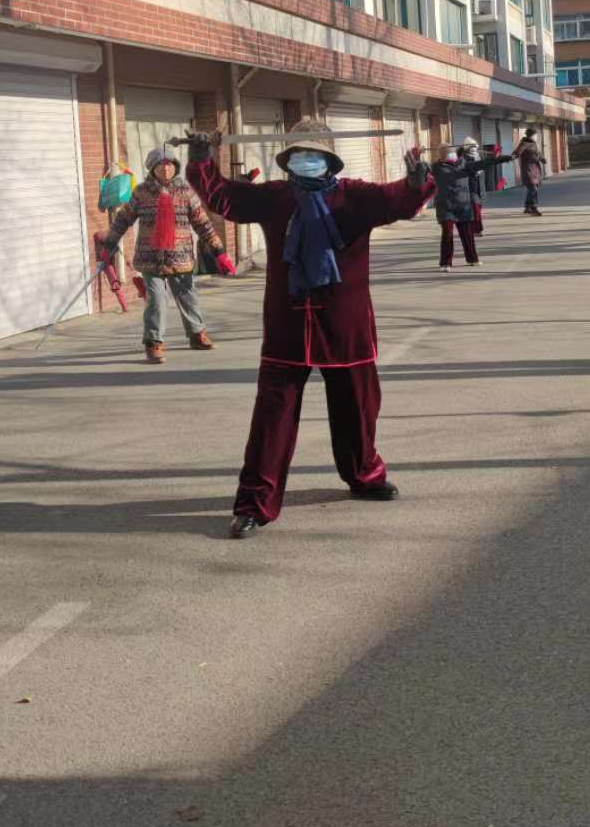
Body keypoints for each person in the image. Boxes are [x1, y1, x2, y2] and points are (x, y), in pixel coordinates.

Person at [186, 118, 434, 539]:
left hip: (345, 322)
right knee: (272, 418)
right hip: (288, 324)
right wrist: (201, 159)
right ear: (289, 160)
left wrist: (416, 181)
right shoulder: (274, 198)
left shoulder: (354, 197)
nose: (307, 160)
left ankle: (364, 474)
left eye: (314, 154)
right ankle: (254, 503)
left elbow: (398, 201)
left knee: (358, 407)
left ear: (329, 160)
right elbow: (224, 197)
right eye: (300, 153)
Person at [102, 148, 233, 363]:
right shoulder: (141, 193)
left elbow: (203, 224)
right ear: (152, 168)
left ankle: (197, 335)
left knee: (188, 296)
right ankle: (153, 342)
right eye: (161, 164)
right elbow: (123, 220)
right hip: (150, 258)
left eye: (170, 164)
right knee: (156, 299)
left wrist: (219, 252)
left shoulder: (186, 192)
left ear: (176, 167)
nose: (166, 168)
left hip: (180, 257)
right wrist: (109, 244)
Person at [432, 143, 499, 270]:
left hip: (463, 206)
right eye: (447, 153)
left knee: (467, 234)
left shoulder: (464, 164)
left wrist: (497, 158)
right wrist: (415, 155)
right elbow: (418, 172)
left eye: (452, 153)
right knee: (447, 235)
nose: (450, 155)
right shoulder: (436, 167)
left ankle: (472, 259)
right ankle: (446, 263)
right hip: (446, 207)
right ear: (441, 155)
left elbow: (482, 164)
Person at [512, 128, 546, 215]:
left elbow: (537, 153)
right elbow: (517, 152)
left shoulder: (533, 144)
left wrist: (542, 159)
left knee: (533, 188)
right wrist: (513, 156)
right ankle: (534, 208)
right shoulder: (524, 143)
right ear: (531, 135)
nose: (536, 137)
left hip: (535, 169)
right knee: (533, 188)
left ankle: (527, 207)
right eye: (535, 135)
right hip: (528, 170)